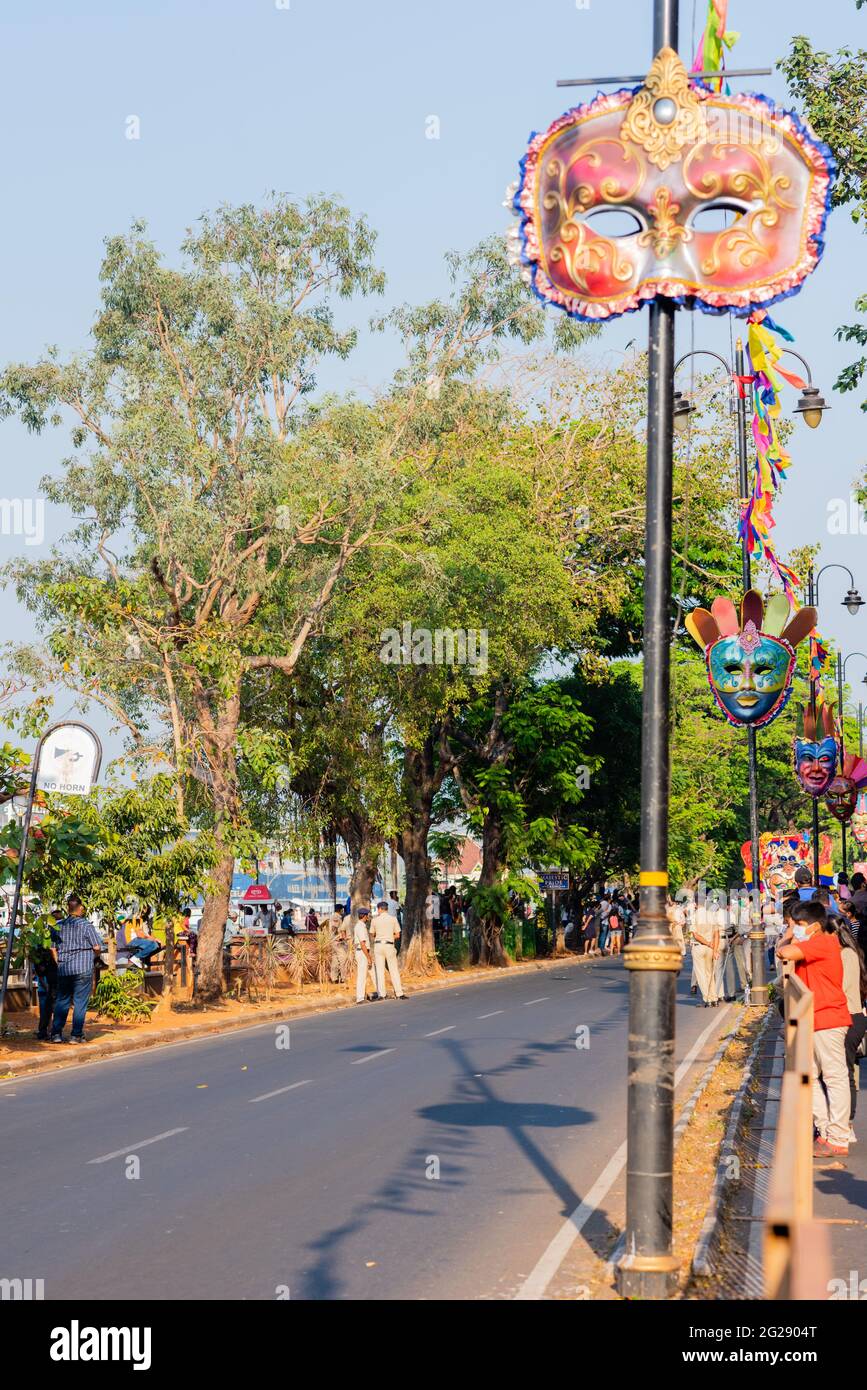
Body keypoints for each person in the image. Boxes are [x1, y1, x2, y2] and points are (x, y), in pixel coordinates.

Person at [778, 900, 852, 1161]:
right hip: (812, 1018)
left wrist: (788, 937)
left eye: (798, 924)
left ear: (815, 927)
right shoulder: (810, 944)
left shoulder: (823, 943)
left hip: (829, 1018)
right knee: (807, 1076)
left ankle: (839, 1136)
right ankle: (826, 1129)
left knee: (834, 1077)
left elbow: (784, 953)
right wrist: (791, 936)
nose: (794, 929)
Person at [833, 910, 867, 1144]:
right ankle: (845, 1123)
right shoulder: (853, 952)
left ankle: (846, 1123)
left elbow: (842, 989)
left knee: (843, 1074)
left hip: (848, 1017)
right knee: (847, 1072)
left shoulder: (845, 955)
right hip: (853, 1017)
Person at [49, 896, 102, 1044]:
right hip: (83, 968)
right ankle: (76, 1035)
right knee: (80, 1002)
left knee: (62, 1001)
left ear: (67, 908)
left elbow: (53, 948)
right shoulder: (86, 925)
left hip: (64, 968)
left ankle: (56, 1034)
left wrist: (59, 962)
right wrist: (94, 956)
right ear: (80, 908)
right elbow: (97, 947)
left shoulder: (59, 926)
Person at [32, 911, 61, 1040]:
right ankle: (53, 1032)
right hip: (50, 974)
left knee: (45, 1004)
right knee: (53, 1003)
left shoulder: (41, 936)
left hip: (42, 974)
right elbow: (52, 952)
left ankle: (44, 1031)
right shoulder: (54, 935)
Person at [371, 900, 407, 999]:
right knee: (394, 970)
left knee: (380, 970)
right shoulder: (393, 919)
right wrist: (390, 937)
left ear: (379, 909)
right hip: (389, 945)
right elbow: (397, 935)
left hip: (378, 946)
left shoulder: (374, 920)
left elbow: (372, 934)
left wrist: (379, 937)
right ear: (386, 909)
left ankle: (382, 994)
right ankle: (399, 993)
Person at [691, 900, 720, 1006]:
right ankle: (714, 998)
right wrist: (715, 950)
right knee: (710, 974)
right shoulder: (711, 914)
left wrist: (707, 943)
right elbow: (717, 934)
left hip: (700, 946)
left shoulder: (694, 915)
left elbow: (695, 935)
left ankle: (707, 998)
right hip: (711, 948)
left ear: (695, 903)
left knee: (701, 974)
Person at [353, 907, 376, 1004]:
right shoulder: (360, 927)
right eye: (367, 916)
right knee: (362, 975)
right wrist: (369, 957)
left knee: (373, 972)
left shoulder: (361, 926)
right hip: (362, 953)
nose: (368, 918)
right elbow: (362, 944)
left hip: (364, 952)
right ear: (365, 916)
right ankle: (360, 998)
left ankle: (381, 992)